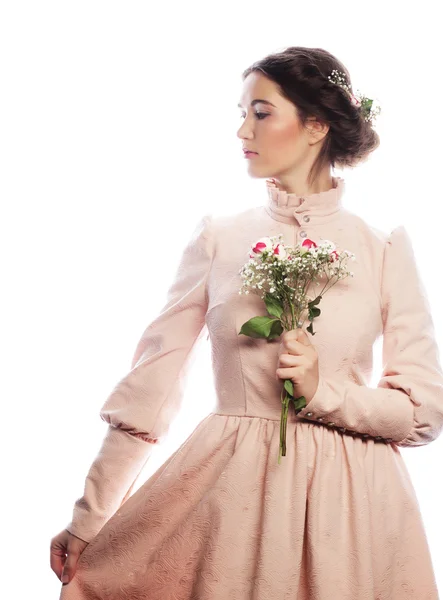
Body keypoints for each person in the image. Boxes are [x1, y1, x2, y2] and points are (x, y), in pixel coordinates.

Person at [50, 46, 443, 599]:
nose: (242, 131)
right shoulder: (219, 237)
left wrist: (322, 393)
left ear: (315, 125)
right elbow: (150, 389)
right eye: (241, 113)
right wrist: (90, 515)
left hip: (354, 511)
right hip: (232, 500)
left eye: (259, 112)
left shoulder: (382, 248)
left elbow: (423, 413)